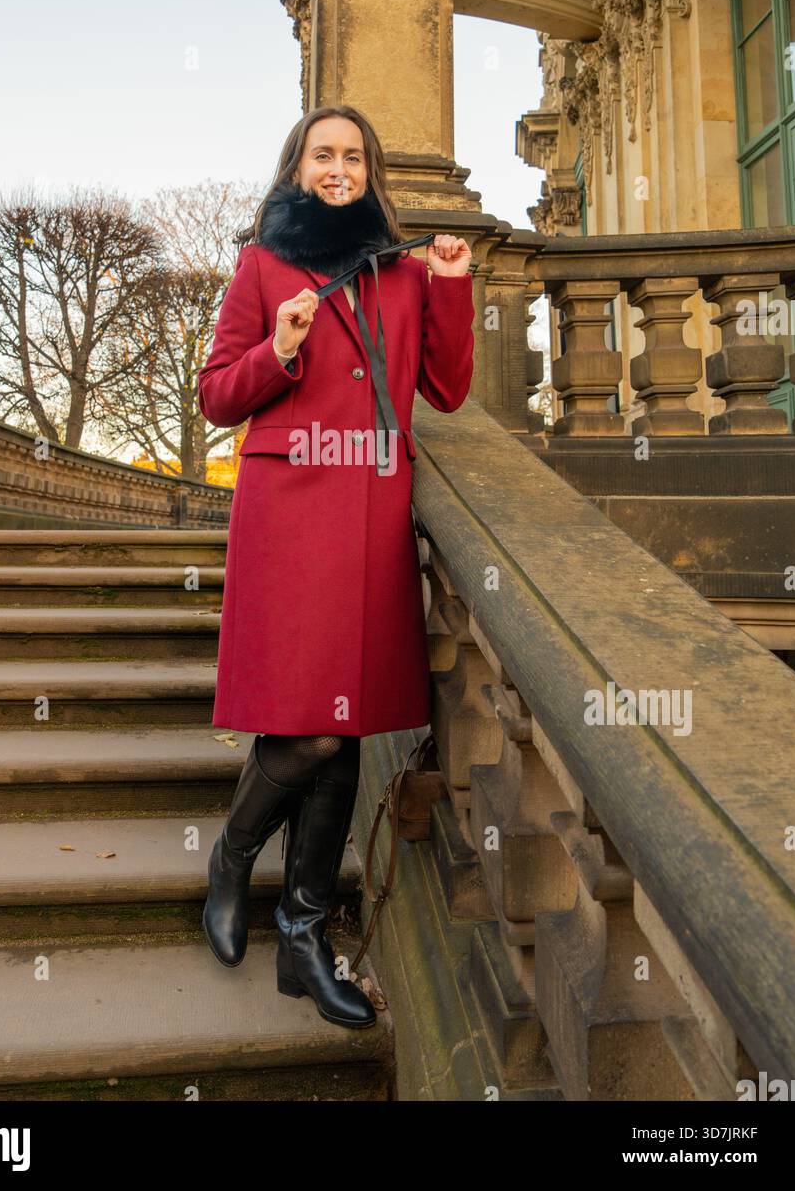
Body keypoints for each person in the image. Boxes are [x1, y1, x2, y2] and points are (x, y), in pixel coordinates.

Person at [197, 104, 474, 1029]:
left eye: (355, 155)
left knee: (343, 730)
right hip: (289, 517)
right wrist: (277, 349)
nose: (339, 166)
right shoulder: (263, 262)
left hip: (370, 522)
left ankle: (304, 936)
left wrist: (449, 287)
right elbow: (214, 394)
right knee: (313, 729)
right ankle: (236, 855)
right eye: (324, 153)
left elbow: (446, 386)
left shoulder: (397, 269)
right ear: (297, 165)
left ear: (371, 171)